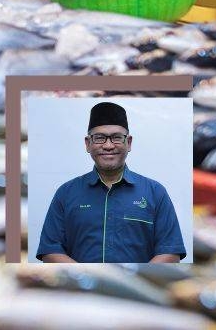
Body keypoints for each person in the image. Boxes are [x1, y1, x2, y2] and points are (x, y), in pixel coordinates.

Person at [36, 101, 186, 264]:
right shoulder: (66, 192)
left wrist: (133, 282)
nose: (108, 146)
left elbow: (171, 251)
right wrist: (88, 277)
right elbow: (50, 250)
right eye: (99, 138)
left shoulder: (155, 192)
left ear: (128, 143)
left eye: (116, 138)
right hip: (81, 286)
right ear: (88, 143)